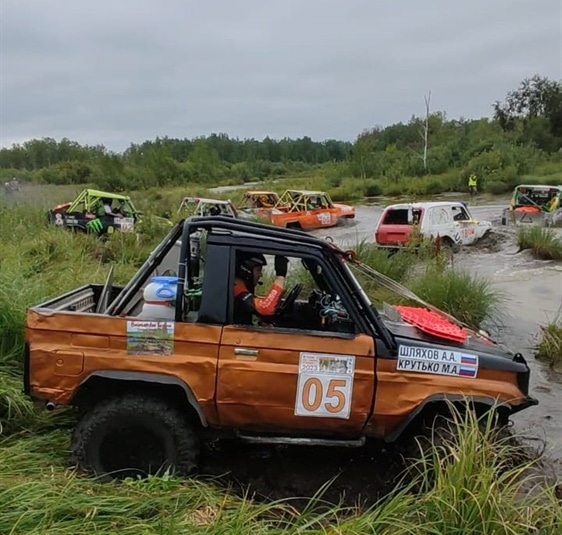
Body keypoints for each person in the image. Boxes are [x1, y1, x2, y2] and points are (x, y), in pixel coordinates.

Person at [233, 252, 289, 325]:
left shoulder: (238, 286)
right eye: (258, 270)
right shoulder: (236, 289)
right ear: (246, 270)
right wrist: (280, 277)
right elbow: (265, 308)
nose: (261, 274)